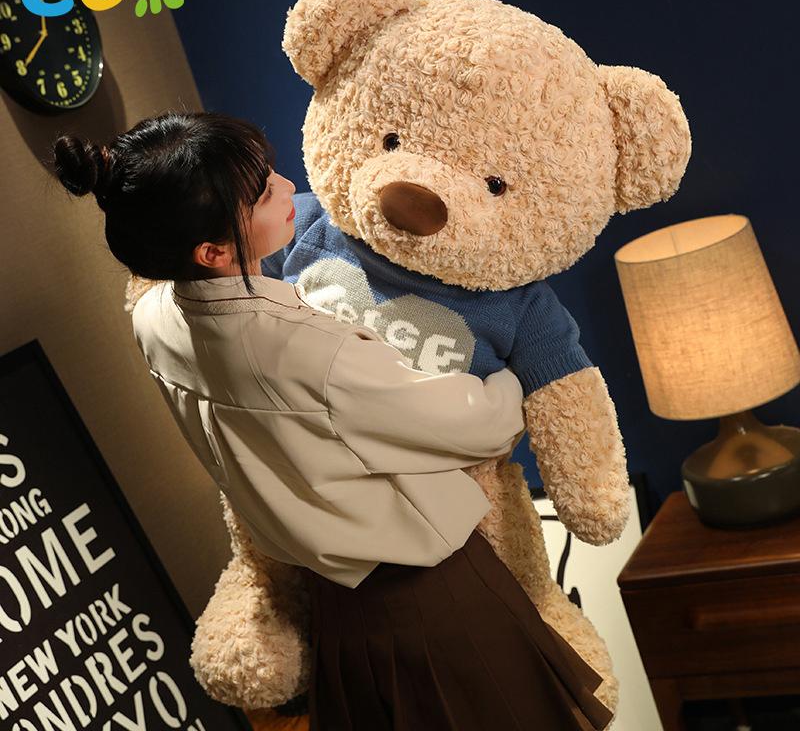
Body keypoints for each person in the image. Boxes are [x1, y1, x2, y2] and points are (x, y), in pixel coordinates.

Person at [52, 110, 613, 731]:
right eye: (262, 192)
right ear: (212, 250)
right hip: (432, 600)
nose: (289, 187)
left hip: (336, 606)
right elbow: (478, 424)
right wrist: (518, 370)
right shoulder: (312, 350)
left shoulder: (153, 317)